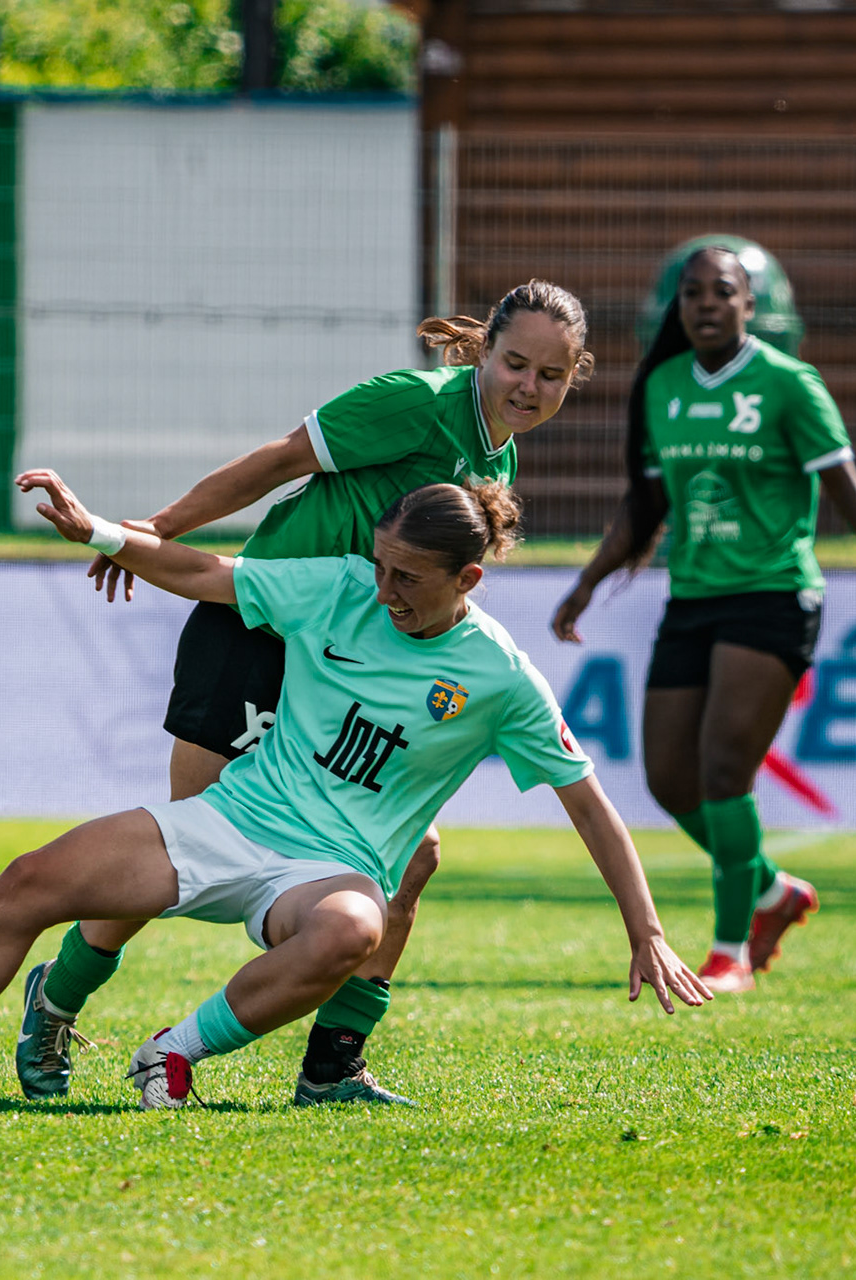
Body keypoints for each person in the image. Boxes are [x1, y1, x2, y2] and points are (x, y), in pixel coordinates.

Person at [0, 472, 708, 1111]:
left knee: (357, 928)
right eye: (380, 563)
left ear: (467, 580)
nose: (383, 587)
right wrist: (98, 531)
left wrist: (648, 930)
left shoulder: (500, 677)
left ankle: (173, 1051)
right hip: (229, 821)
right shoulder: (342, 587)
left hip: (328, 870)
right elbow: (204, 573)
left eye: (407, 578)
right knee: (32, 878)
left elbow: (587, 800)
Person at [29, 281, 597, 1107]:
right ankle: (56, 999)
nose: (528, 386)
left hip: (334, 666)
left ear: (571, 377)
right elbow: (278, 461)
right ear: (484, 352)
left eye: (550, 374)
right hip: (256, 635)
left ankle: (334, 1062)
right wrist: (153, 536)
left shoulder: (495, 457)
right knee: (180, 866)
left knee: (416, 854)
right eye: (514, 363)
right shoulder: (412, 404)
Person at [550, 244, 856, 994]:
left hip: (773, 594)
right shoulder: (663, 384)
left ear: (751, 305)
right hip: (691, 598)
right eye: (691, 293)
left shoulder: (791, 385)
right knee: (667, 776)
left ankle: (731, 954)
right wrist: (587, 584)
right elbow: (648, 504)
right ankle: (769, 889)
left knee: (725, 769)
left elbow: (846, 487)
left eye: (721, 292)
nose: (704, 304)